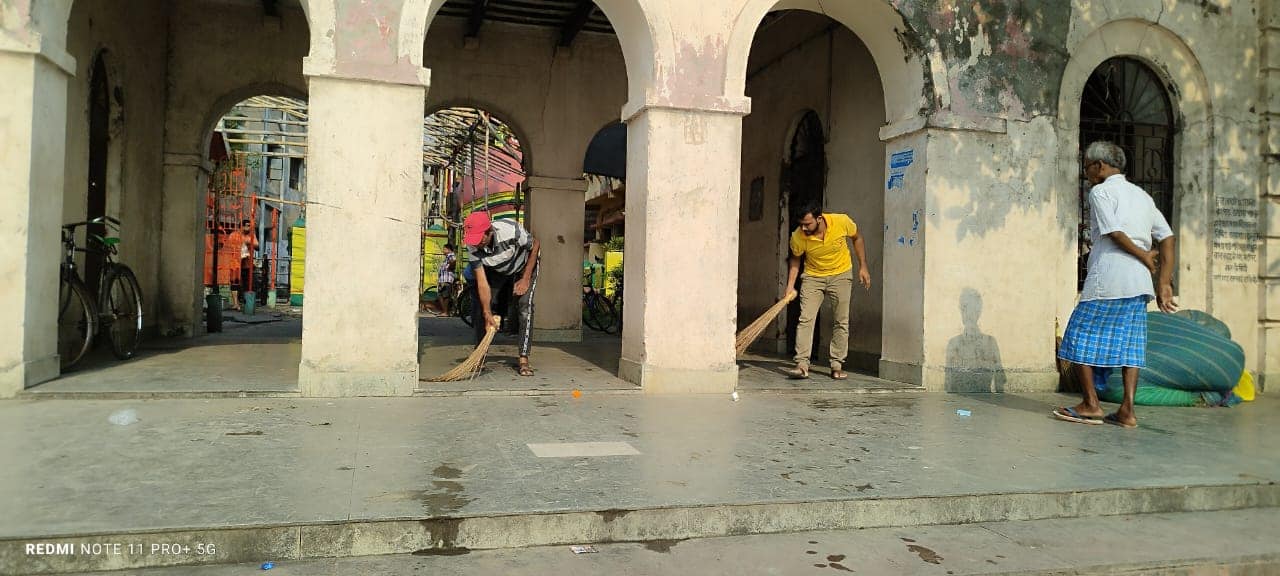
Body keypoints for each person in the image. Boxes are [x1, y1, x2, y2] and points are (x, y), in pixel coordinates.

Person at [1054, 141, 1176, 429]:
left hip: (1109, 278)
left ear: (1099, 166)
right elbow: (1167, 237)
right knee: (1130, 345)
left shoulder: (1101, 192)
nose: (1086, 174)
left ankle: (1090, 404)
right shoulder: (1142, 196)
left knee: (1078, 336)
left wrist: (1144, 255)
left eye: (1087, 168)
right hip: (1139, 283)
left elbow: (1113, 232)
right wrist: (1164, 282)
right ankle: (1127, 411)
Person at [784, 202, 871, 380]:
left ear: (819, 218)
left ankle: (837, 365)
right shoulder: (798, 236)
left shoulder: (841, 221)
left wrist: (863, 266)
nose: (803, 228)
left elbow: (857, 238)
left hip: (841, 274)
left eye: (807, 224)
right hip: (812, 277)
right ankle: (801, 365)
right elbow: (795, 259)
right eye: (801, 224)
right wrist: (790, 285)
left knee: (841, 321)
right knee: (806, 319)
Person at [463, 211, 540, 376]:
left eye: (479, 239)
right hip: (498, 270)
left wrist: (525, 278)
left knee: (524, 307)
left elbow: (535, 245)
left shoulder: (511, 230)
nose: (476, 244)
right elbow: (482, 281)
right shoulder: (472, 246)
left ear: (489, 232)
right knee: (482, 309)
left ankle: (523, 358)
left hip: (524, 266)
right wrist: (487, 312)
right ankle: (479, 354)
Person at [227, 219, 258, 311]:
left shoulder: (251, 235)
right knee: (235, 283)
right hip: (235, 263)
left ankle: (246, 303)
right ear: (242, 226)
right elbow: (228, 247)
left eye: (250, 226)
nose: (249, 228)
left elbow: (257, 246)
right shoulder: (233, 235)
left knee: (248, 284)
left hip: (247, 264)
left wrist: (249, 243)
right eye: (247, 225)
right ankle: (235, 304)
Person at [435, 243, 457, 316]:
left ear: (449, 249)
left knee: (445, 296)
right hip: (443, 279)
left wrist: (450, 267)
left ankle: (445, 312)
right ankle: (444, 311)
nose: (443, 250)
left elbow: (453, 261)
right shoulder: (447, 257)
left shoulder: (451, 255)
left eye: (444, 249)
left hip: (446, 279)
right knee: (441, 295)